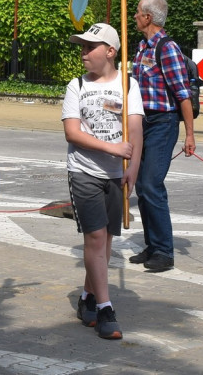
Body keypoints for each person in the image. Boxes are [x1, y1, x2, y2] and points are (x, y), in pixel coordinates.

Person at [62, 23, 143, 341]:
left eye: (89, 47)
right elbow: (72, 132)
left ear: (110, 51)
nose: (83, 53)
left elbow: (135, 132)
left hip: (116, 175)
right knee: (95, 239)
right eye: (81, 47)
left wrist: (133, 167)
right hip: (84, 172)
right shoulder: (76, 86)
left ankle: (87, 298)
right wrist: (112, 148)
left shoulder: (128, 85)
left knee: (106, 243)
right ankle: (106, 307)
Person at [128, 0, 195, 273]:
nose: (133, 16)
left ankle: (165, 252)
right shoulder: (143, 47)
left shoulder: (166, 48)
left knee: (151, 184)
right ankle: (153, 245)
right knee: (142, 185)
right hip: (142, 123)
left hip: (162, 123)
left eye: (137, 13)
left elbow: (182, 93)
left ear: (148, 17)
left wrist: (189, 133)